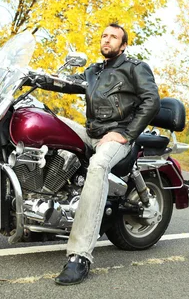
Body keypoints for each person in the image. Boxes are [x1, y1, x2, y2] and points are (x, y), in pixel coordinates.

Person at [31, 23, 160, 285]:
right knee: (43, 121)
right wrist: (35, 76)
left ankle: (80, 255)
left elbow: (152, 101)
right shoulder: (93, 71)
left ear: (123, 45)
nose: (107, 40)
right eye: (104, 36)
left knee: (98, 165)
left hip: (116, 136)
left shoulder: (135, 67)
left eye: (113, 37)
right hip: (91, 131)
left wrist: (127, 134)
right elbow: (67, 84)